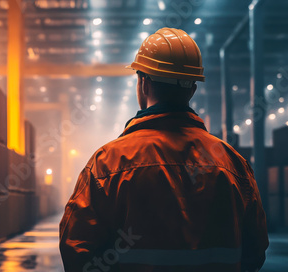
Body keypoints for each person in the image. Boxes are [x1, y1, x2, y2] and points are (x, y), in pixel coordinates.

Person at [59, 28, 269, 272]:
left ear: (143, 83)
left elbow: (77, 252)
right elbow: (254, 252)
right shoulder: (233, 164)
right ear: (192, 89)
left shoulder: (107, 163)